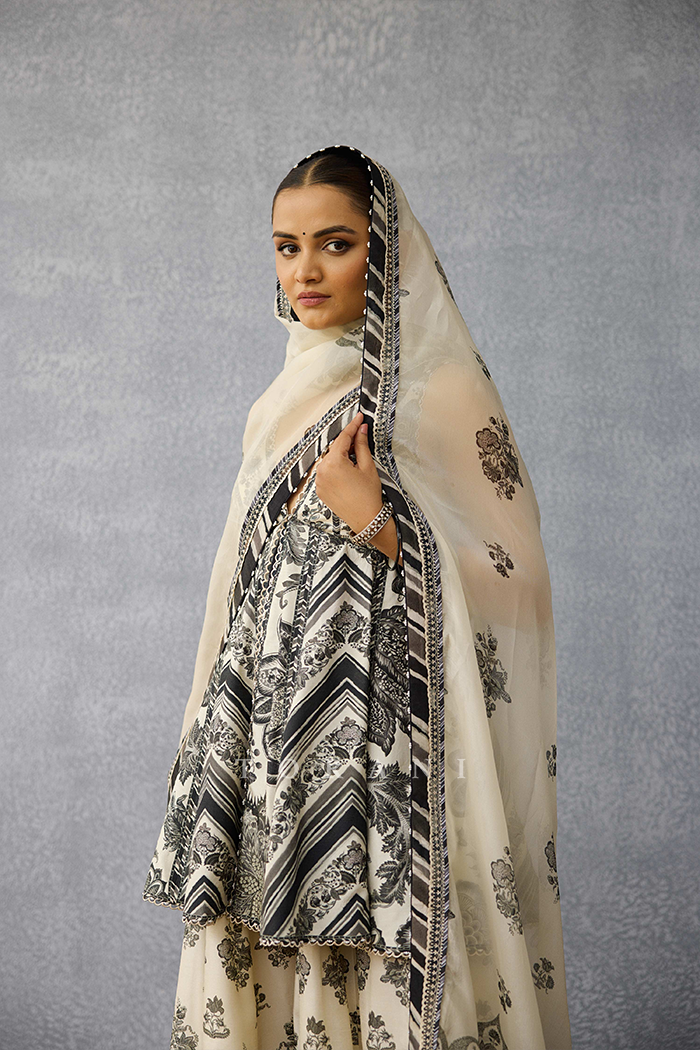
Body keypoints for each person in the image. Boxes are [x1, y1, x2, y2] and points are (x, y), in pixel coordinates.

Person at [143, 145, 572, 1050]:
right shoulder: (285, 396)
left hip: (384, 768)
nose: (305, 270)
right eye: (286, 246)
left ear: (386, 253)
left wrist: (378, 521)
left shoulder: (437, 391)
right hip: (274, 756)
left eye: (334, 244)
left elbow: (522, 586)